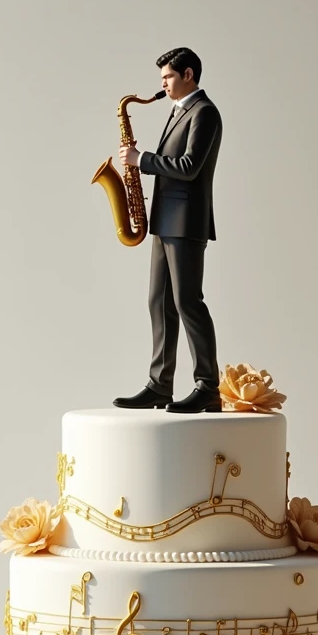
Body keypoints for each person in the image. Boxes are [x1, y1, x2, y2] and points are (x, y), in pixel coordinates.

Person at [113, 47, 223, 413]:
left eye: (168, 78)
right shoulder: (180, 111)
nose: (162, 86)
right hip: (165, 221)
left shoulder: (204, 113)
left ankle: (208, 387)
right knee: (158, 301)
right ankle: (160, 385)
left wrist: (141, 160)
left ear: (188, 74)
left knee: (188, 302)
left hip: (186, 221)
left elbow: (190, 166)